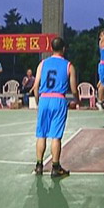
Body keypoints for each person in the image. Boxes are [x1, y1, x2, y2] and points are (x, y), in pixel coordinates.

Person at [33, 37, 79, 178]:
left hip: (44, 99)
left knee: (41, 134)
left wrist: (38, 102)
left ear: (51, 48)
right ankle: (55, 167)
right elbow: (74, 89)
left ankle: (39, 166)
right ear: (63, 49)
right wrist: (77, 100)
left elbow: (35, 86)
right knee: (56, 136)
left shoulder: (42, 64)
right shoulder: (69, 66)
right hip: (58, 100)